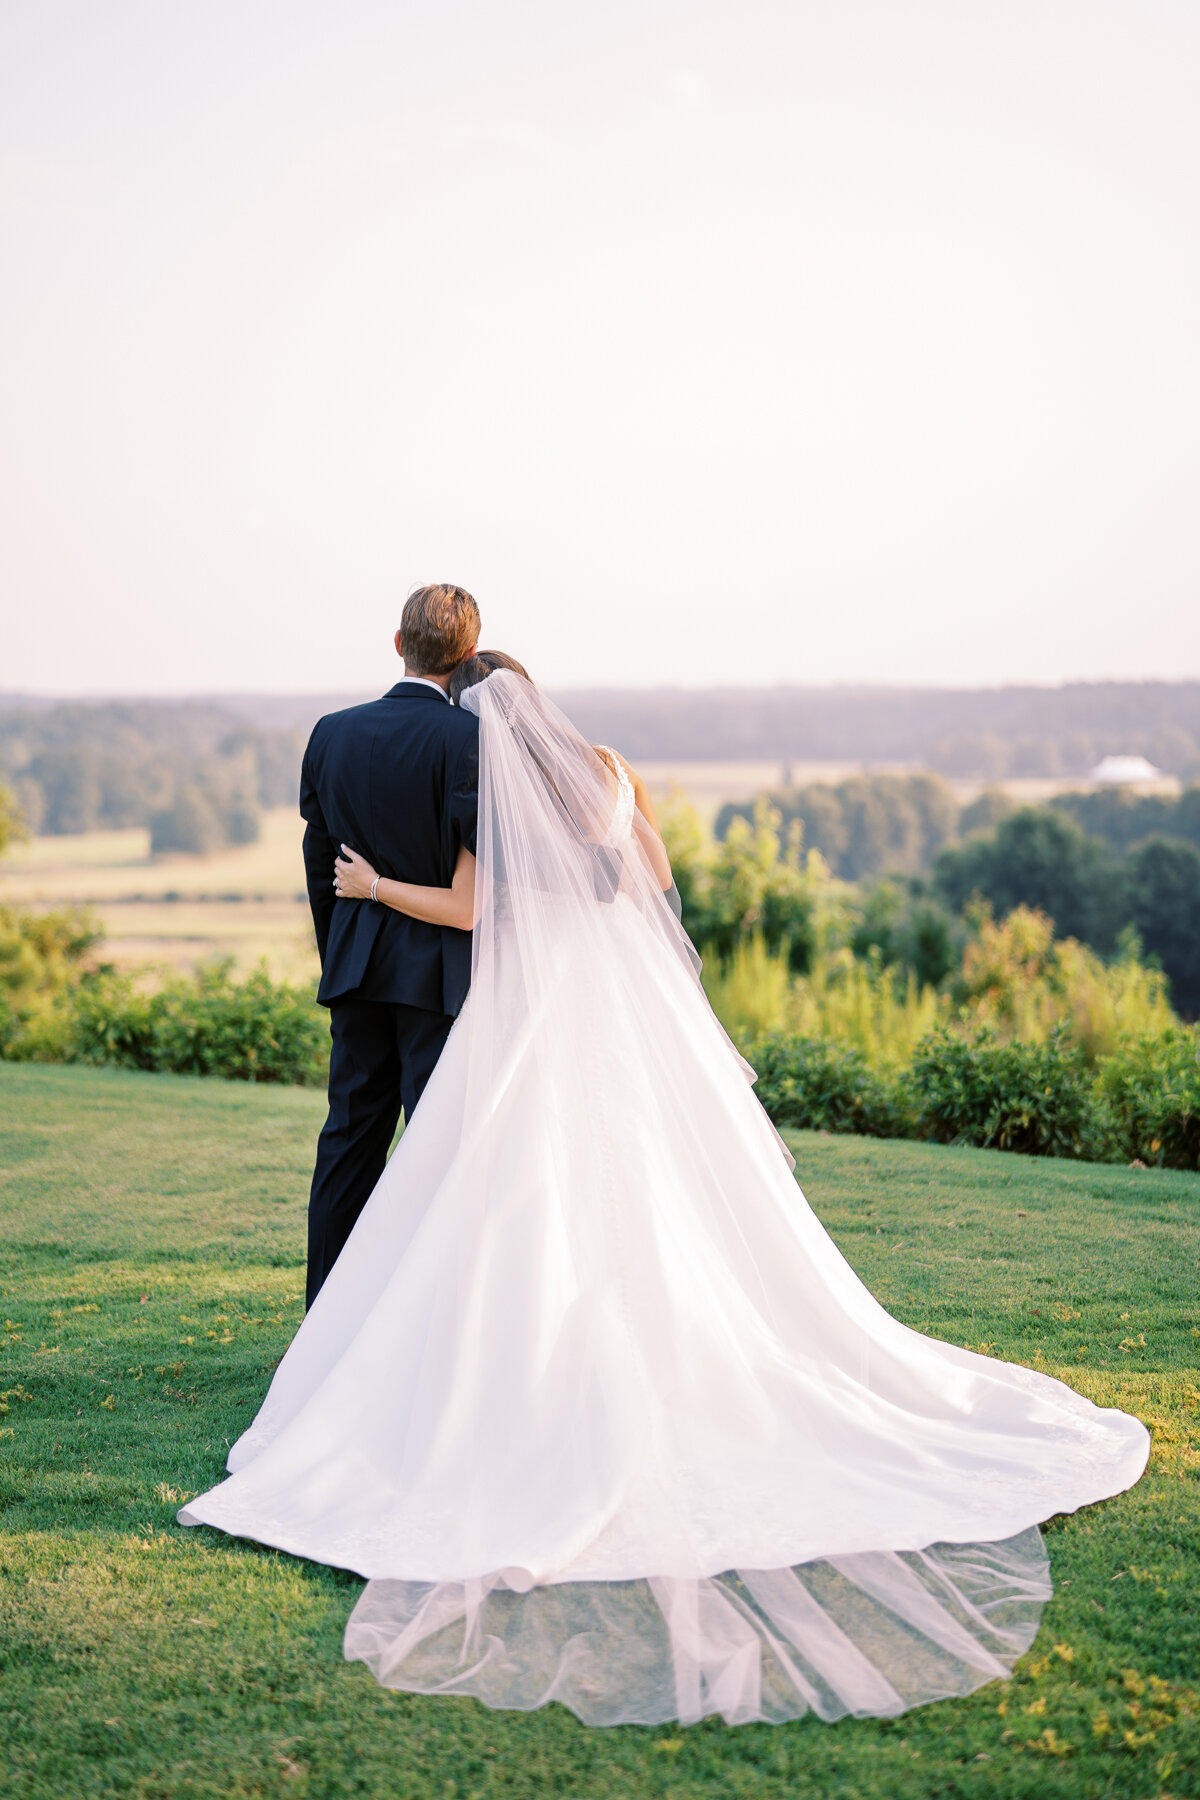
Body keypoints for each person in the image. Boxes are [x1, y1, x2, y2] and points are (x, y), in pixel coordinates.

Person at [180, 659, 1149, 1729]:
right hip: (621, 1015)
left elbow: (477, 906)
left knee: (509, 1198)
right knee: (631, 1191)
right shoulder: (609, 770)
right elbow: (650, 884)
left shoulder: (495, 788)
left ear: (485, 724)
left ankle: (501, 1362)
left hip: (531, 1013)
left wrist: (372, 891)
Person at [298, 584, 481, 1308]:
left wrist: (339, 952)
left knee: (348, 1138)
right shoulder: (468, 741)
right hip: (438, 975)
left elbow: (320, 864)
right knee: (435, 1151)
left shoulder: (330, 732)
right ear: (465, 656)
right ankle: (425, 1320)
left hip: (356, 964)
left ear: (398, 644)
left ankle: (325, 1319)